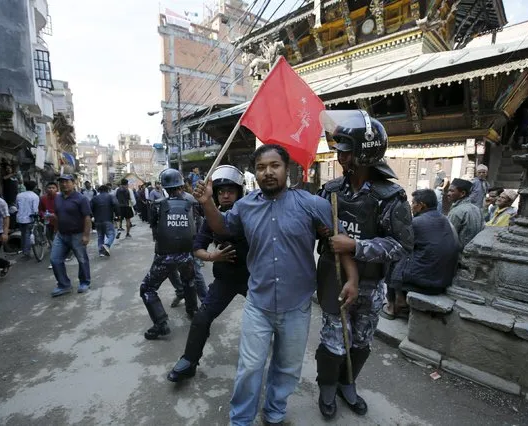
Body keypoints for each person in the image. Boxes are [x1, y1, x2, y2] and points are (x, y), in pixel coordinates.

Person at [193, 144, 359, 426]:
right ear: (254, 173)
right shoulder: (245, 207)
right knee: (249, 368)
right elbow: (221, 228)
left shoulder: (312, 204)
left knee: (288, 368)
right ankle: (241, 419)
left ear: (287, 169)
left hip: (297, 305)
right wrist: (208, 202)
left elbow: (339, 242)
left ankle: (274, 412)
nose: (268, 172)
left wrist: (352, 279)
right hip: (258, 304)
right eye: (261, 167)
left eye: (274, 166)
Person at [316, 110, 414, 419]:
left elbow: (402, 246)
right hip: (333, 278)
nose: (339, 155)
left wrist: (357, 245)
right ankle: (327, 387)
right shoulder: (331, 191)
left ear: (362, 152)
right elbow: (317, 232)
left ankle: (349, 383)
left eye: (345, 149)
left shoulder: (390, 197)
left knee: (361, 339)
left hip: (372, 284)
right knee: (333, 338)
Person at [167, 165, 249, 383]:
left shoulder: (252, 212)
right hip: (225, 279)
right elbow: (197, 247)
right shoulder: (212, 218)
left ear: (240, 192)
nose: (225, 194)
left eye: (230, 190)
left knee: (272, 318)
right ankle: (189, 361)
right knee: (202, 318)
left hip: (254, 279)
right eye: (221, 191)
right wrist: (213, 257)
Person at [141, 168, 200, 340]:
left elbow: (154, 228)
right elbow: (197, 224)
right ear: (181, 184)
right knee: (189, 281)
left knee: (147, 288)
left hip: (164, 256)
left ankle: (160, 324)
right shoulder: (192, 202)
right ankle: (192, 311)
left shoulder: (158, 204)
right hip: (187, 255)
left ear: (164, 187)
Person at [383, 189, 459, 319]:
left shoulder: (417, 223)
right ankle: (400, 298)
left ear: (421, 205)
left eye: (413, 203)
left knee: (393, 256)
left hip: (424, 282)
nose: (411, 206)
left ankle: (392, 306)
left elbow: (398, 244)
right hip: (443, 280)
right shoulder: (444, 220)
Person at [50, 175, 92, 297]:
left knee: (82, 259)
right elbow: (57, 215)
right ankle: (64, 285)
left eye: (67, 182)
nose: (64, 184)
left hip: (77, 234)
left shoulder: (81, 199)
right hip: (61, 234)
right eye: (61, 182)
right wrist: (55, 230)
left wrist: (86, 235)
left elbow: (87, 218)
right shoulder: (57, 198)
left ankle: (85, 282)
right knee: (55, 259)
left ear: (73, 183)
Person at [447, 178, 484, 250]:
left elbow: (448, 236)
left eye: (452, 191)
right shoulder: (477, 209)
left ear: (462, 193)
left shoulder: (457, 212)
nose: (448, 194)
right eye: (448, 191)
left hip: (460, 253)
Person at [90, 184, 119, 256]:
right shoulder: (110, 196)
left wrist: (92, 216)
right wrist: (118, 214)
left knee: (100, 236)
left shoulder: (94, 198)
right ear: (107, 190)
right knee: (111, 234)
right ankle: (106, 245)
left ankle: (101, 252)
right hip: (108, 219)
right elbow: (116, 204)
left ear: (99, 190)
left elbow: (90, 208)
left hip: (97, 221)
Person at [15, 181, 40, 260]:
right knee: (27, 235)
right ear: (34, 187)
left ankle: (24, 251)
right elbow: (35, 209)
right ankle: (27, 253)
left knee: (23, 235)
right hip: (29, 218)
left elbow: (17, 206)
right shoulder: (35, 196)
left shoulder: (19, 195)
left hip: (20, 218)